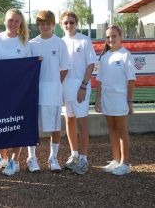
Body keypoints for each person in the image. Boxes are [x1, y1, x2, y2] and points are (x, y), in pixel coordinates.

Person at [0, 8, 32, 176]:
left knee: (16, 125)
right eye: (10, 20)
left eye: (16, 21)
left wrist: (36, 63)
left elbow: (29, 66)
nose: (13, 23)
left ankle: (15, 160)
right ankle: (3, 157)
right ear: (4, 20)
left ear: (21, 23)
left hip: (19, 93)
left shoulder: (25, 42)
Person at [29, 10, 70, 173]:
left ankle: (53, 158)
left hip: (54, 92)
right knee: (32, 126)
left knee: (55, 127)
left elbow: (65, 68)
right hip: (35, 92)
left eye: (48, 23)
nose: (45, 26)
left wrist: (54, 84)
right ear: (38, 25)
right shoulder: (32, 44)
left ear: (53, 25)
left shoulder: (60, 43)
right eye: (41, 23)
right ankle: (32, 158)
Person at [95, 25, 135, 176]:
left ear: (120, 37)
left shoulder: (126, 55)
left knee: (121, 130)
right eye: (108, 37)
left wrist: (129, 101)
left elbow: (131, 80)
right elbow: (99, 81)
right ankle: (116, 159)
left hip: (120, 99)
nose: (111, 39)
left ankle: (125, 163)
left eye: (114, 36)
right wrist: (97, 100)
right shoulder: (104, 57)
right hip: (107, 98)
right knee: (112, 129)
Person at [60, 11, 96, 175]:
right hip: (64, 87)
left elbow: (90, 65)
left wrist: (83, 85)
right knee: (69, 121)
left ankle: (83, 159)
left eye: (72, 22)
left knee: (82, 123)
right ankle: (74, 155)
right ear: (61, 24)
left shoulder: (85, 40)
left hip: (80, 86)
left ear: (77, 23)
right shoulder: (59, 42)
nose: (69, 25)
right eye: (66, 22)